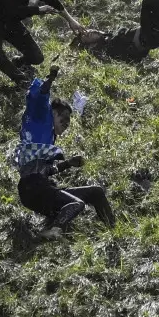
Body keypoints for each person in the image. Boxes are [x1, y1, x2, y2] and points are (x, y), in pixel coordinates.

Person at [16, 67, 115, 238]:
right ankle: (53, 229)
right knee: (76, 204)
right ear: (53, 112)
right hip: (32, 188)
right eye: (64, 118)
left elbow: (48, 171)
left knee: (96, 192)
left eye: (69, 120)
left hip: (40, 188)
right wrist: (51, 78)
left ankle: (114, 231)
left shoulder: (47, 139)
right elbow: (41, 95)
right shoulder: (41, 118)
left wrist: (68, 164)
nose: (67, 123)